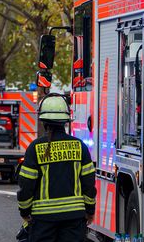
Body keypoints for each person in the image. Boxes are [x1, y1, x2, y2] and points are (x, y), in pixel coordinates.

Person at [17, 93, 96, 241]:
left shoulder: (35, 148)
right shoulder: (80, 146)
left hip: (43, 220)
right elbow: (88, 184)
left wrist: (24, 211)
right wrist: (90, 210)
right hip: (74, 218)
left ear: (44, 121)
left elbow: (26, 185)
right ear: (66, 121)